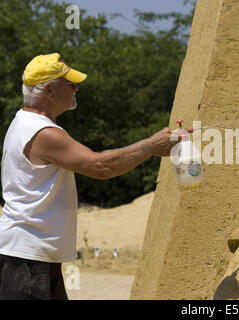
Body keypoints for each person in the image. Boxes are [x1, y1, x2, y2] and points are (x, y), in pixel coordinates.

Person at [0, 53, 179, 300]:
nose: (77, 87)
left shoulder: (24, 122)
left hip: (31, 255)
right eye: (70, 83)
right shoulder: (42, 131)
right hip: (28, 258)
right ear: (49, 91)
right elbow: (100, 166)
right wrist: (151, 146)